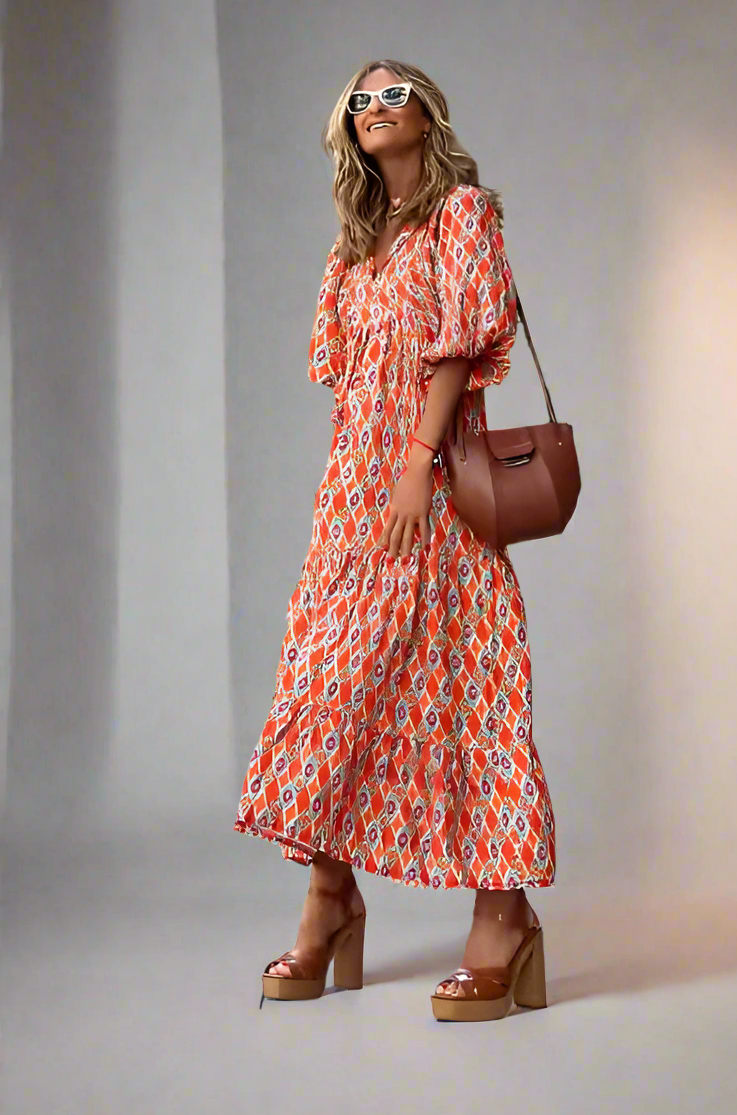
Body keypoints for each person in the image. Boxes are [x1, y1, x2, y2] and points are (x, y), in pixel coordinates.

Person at [234, 58, 555, 1022]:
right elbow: (346, 378)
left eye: (392, 94)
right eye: (360, 99)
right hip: (354, 497)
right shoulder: (354, 244)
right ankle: (331, 896)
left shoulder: (464, 215)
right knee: (328, 686)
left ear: (427, 115)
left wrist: (416, 460)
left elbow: (458, 346)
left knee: (465, 684)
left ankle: (503, 914)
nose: (375, 108)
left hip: (437, 482)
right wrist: (365, 479)